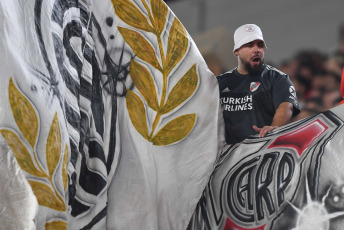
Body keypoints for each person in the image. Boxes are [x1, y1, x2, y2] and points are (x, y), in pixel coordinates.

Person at [217, 24, 300, 145]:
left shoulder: (277, 78)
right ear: (236, 51)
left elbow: (286, 107)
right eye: (250, 45)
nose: (256, 50)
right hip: (230, 158)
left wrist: (274, 128)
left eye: (260, 45)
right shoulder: (219, 83)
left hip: (265, 151)